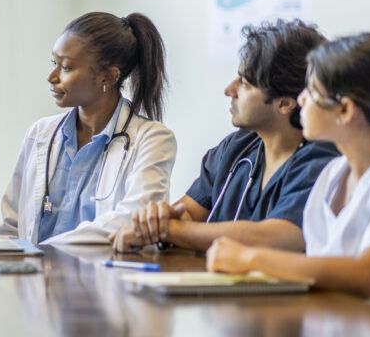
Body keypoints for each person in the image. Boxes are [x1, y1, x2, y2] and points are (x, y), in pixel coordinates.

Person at [207, 33, 370, 312]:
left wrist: (249, 258)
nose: (301, 99)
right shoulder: (333, 174)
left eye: (312, 92)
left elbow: (366, 276)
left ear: (344, 110)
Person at [112, 19, 339, 253]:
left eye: (245, 83)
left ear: (284, 103)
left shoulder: (321, 158)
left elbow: (281, 235)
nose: (229, 90)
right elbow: (188, 213)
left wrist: (169, 230)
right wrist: (158, 220)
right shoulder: (238, 145)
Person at [0, 11, 177, 244]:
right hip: (35, 277)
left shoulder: (153, 140)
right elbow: (12, 225)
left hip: (104, 277)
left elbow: (133, 221)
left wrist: (41, 251)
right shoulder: (40, 134)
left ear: (108, 76)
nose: (52, 77)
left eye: (66, 67)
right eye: (53, 64)